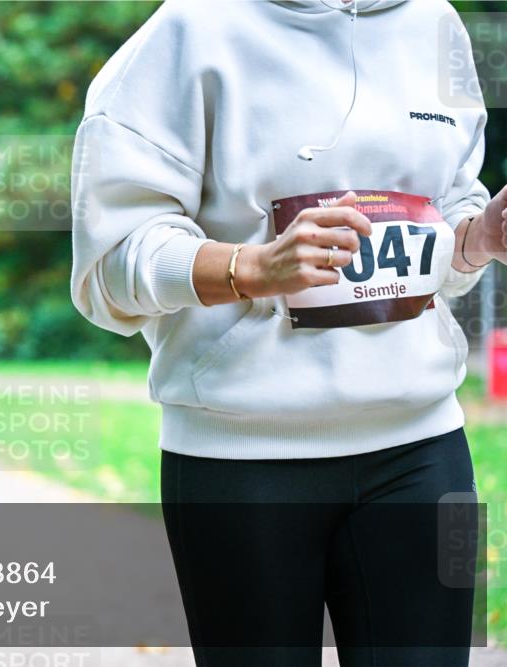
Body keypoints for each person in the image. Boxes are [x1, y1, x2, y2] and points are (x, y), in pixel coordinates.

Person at [70, 1, 507, 666]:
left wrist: (477, 239)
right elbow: (110, 266)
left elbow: (446, 218)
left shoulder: (435, 22)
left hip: (421, 451)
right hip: (242, 461)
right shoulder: (191, 28)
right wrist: (252, 266)